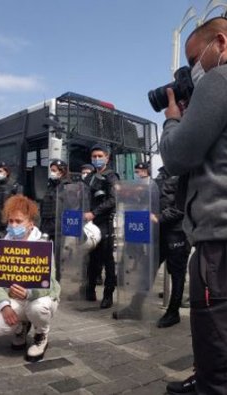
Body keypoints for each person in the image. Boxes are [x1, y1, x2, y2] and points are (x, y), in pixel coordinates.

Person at [158, 17, 227, 394]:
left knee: (215, 339)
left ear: (221, 42)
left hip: (218, 241)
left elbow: (178, 157)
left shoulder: (220, 79)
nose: (192, 71)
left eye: (194, 59)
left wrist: (172, 121)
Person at [0, 195, 60, 362]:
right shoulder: (0, 246)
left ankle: (41, 334)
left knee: (37, 309)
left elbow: (50, 282)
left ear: (30, 223)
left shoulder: (42, 244)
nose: (13, 226)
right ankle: (21, 326)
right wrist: (4, 305)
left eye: (18, 221)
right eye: (10, 221)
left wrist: (29, 293)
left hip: (38, 298)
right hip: (13, 299)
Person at [84, 144, 119, 309]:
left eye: (100, 156)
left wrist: (94, 212)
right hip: (89, 224)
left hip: (104, 222)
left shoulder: (111, 176)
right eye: (94, 156)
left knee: (107, 259)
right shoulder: (89, 177)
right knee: (92, 259)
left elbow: (113, 200)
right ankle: (90, 290)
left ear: (107, 158)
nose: (96, 159)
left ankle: (108, 295)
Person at [154, 167, 190, 329]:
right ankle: (136, 304)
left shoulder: (185, 174)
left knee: (177, 274)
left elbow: (182, 207)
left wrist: (160, 217)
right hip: (159, 232)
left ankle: (173, 312)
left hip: (177, 232)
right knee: (149, 267)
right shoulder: (161, 174)